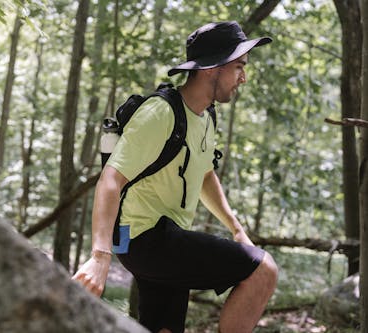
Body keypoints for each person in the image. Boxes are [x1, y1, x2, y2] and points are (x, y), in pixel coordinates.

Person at [72, 21, 279, 333]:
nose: (243, 78)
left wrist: (236, 229)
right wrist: (99, 258)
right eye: (238, 67)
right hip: (144, 237)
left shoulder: (206, 116)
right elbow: (111, 180)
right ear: (212, 67)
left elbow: (206, 174)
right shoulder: (160, 113)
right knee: (263, 269)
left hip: (164, 238)